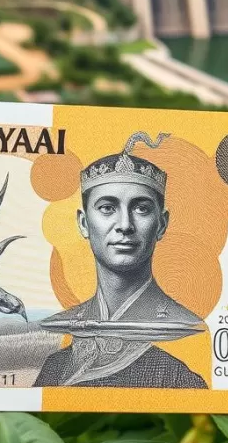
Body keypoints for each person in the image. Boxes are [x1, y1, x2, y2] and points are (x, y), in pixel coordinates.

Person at [34, 132, 206, 388]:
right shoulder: (54, 367)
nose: (125, 225)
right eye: (107, 208)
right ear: (83, 223)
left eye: (141, 208)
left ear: (162, 224)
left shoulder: (183, 363)